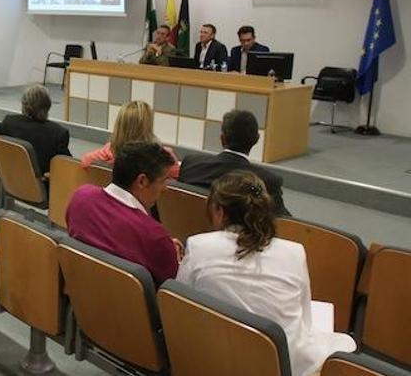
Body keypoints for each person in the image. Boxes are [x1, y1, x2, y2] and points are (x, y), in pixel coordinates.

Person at [177, 171, 356, 376]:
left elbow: (180, 301)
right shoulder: (294, 251)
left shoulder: (198, 245)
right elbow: (305, 319)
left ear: (218, 210)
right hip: (281, 363)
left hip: (217, 358)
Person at [66, 142, 180, 285]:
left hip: (80, 292)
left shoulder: (81, 197)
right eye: (164, 181)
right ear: (142, 181)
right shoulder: (155, 236)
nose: (165, 189)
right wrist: (169, 252)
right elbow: (170, 286)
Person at [178, 109, 289, 215]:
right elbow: (286, 223)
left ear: (222, 138)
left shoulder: (190, 164)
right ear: (256, 140)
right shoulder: (267, 181)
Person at [0, 85, 70, 173]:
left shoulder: (10, 122)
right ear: (48, 106)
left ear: (23, 105)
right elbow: (67, 166)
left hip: (10, 182)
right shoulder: (58, 133)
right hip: (41, 187)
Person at [80, 101, 180, 178]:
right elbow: (179, 179)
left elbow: (85, 160)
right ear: (148, 127)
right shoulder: (163, 158)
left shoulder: (107, 153)